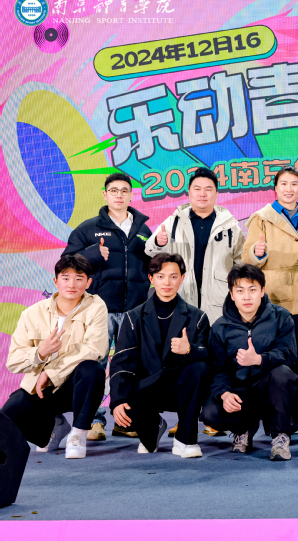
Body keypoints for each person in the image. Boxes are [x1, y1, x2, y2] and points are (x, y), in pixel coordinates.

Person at [146, 167, 243, 438]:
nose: (202, 194)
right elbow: (151, 251)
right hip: (184, 304)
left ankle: (213, 416)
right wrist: (159, 241)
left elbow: (240, 262)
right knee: (185, 363)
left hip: (218, 304)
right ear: (189, 192)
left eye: (208, 189)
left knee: (216, 360)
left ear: (216, 193)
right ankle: (184, 417)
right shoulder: (174, 220)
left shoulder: (229, 224)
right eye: (197, 189)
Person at [63, 172, 152, 441]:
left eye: (124, 191)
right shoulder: (88, 228)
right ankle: (92, 422)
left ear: (131, 195)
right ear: (105, 194)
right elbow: (65, 262)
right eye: (114, 191)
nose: (119, 195)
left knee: (131, 367)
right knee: (95, 366)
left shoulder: (144, 230)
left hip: (134, 310)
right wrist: (90, 254)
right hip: (99, 309)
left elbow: (152, 265)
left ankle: (125, 421)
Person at [2, 255, 108, 459]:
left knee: (92, 370)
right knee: (10, 414)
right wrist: (40, 352)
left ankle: (78, 434)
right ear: (55, 281)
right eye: (65, 278)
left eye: (79, 278)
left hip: (75, 385)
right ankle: (56, 425)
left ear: (88, 283)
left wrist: (51, 372)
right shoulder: (32, 313)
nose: (72, 284)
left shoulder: (96, 306)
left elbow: (94, 348)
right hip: (40, 388)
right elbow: (13, 361)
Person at [110, 253, 211, 457]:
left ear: (182, 278)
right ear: (151, 278)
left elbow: (210, 356)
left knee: (199, 369)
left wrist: (190, 350)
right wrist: (117, 400)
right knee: (124, 407)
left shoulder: (198, 317)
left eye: (173, 277)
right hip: (146, 388)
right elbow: (121, 363)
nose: (167, 282)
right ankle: (154, 427)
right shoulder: (133, 317)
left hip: (180, 388)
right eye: (161, 276)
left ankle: (185, 439)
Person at [243, 166, 298, 436]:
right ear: (275, 188)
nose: (289, 189)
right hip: (275, 298)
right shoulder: (261, 218)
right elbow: (248, 258)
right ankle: (274, 419)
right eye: (284, 184)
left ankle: (297, 416)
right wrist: (257, 252)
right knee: (275, 358)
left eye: (294, 184)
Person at [202, 265, 298, 461]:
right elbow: (218, 369)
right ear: (231, 295)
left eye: (252, 289)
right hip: (240, 392)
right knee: (210, 413)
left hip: (270, 389)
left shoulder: (281, 317)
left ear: (262, 291)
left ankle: (280, 436)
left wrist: (259, 359)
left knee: (283, 374)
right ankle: (243, 429)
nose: (246, 297)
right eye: (240, 291)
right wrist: (224, 393)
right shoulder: (220, 327)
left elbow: (288, 354)